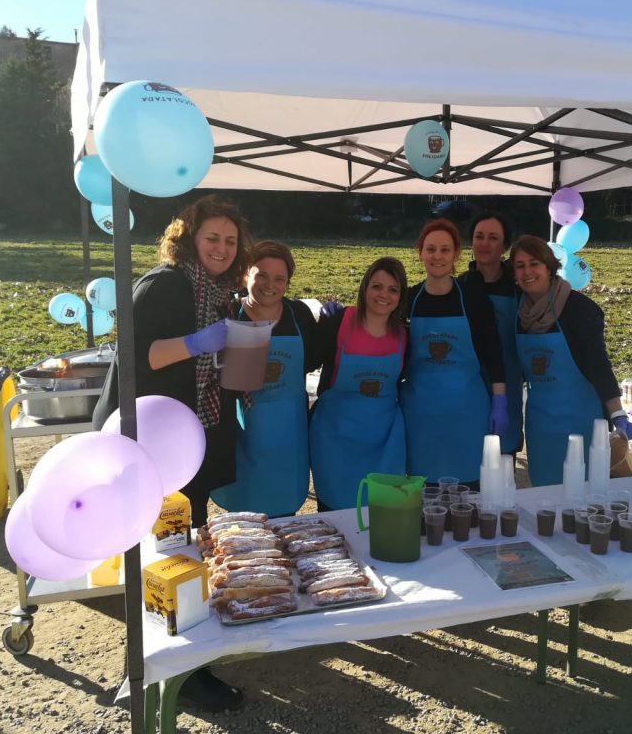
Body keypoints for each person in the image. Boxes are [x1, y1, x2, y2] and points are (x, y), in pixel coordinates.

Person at [91, 194, 250, 712]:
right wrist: (197, 342)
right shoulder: (165, 284)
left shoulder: (218, 292)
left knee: (181, 546)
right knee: (165, 550)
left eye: (230, 241)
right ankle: (169, 667)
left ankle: (173, 656)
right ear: (188, 239)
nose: (222, 248)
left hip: (185, 440)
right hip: (151, 443)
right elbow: (137, 355)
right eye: (212, 238)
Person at [509, 235, 632, 486]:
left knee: (583, 492)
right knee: (544, 492)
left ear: (549, 267)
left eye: (534, 263)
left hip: (582, 421)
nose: (527, 271)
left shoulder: (578, 309)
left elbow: (599, 364)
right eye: (520, 266)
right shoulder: (519, 312)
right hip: (540, 424)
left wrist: (617, 413)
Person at [211, 241, 319, 518]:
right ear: (246, 274)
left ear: (288, 282)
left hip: (289, 436)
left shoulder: (299, 315)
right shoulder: (227, 314)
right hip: (243, 435)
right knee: (243, 526)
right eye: (261, 275)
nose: (270, 285)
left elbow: (313, 360)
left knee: (284, 520)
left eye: (279, 279)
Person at [401, 218, 507, 487]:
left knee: (468, 496)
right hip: (420, 415)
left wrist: (499, 400)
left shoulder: (473, 298)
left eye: (445, 250)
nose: (437, 256)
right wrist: (343, 317)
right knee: (425, 497)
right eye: (431, 249)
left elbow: (493, 350)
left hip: (468, 414)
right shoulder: (408, 300)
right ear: (420, 253)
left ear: (456, 254)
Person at [310, 257, 409, 510]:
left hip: (384, 445)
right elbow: (306, 361)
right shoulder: (339, 321)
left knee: (381, 515)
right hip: (335, 442)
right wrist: (318, 325)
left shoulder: (404, 334)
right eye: (377, 286)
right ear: (365, 288)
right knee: (335, 518)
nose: (383, 295)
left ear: (401, 296)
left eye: (393, 289)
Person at [458, 211, 524, 454]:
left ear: (505, 246)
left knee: (502, 464)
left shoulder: (518, 288)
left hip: (507, 391)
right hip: (467, 389)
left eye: (493, 238)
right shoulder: (460, 285)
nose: (484, 243)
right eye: (479, 236)